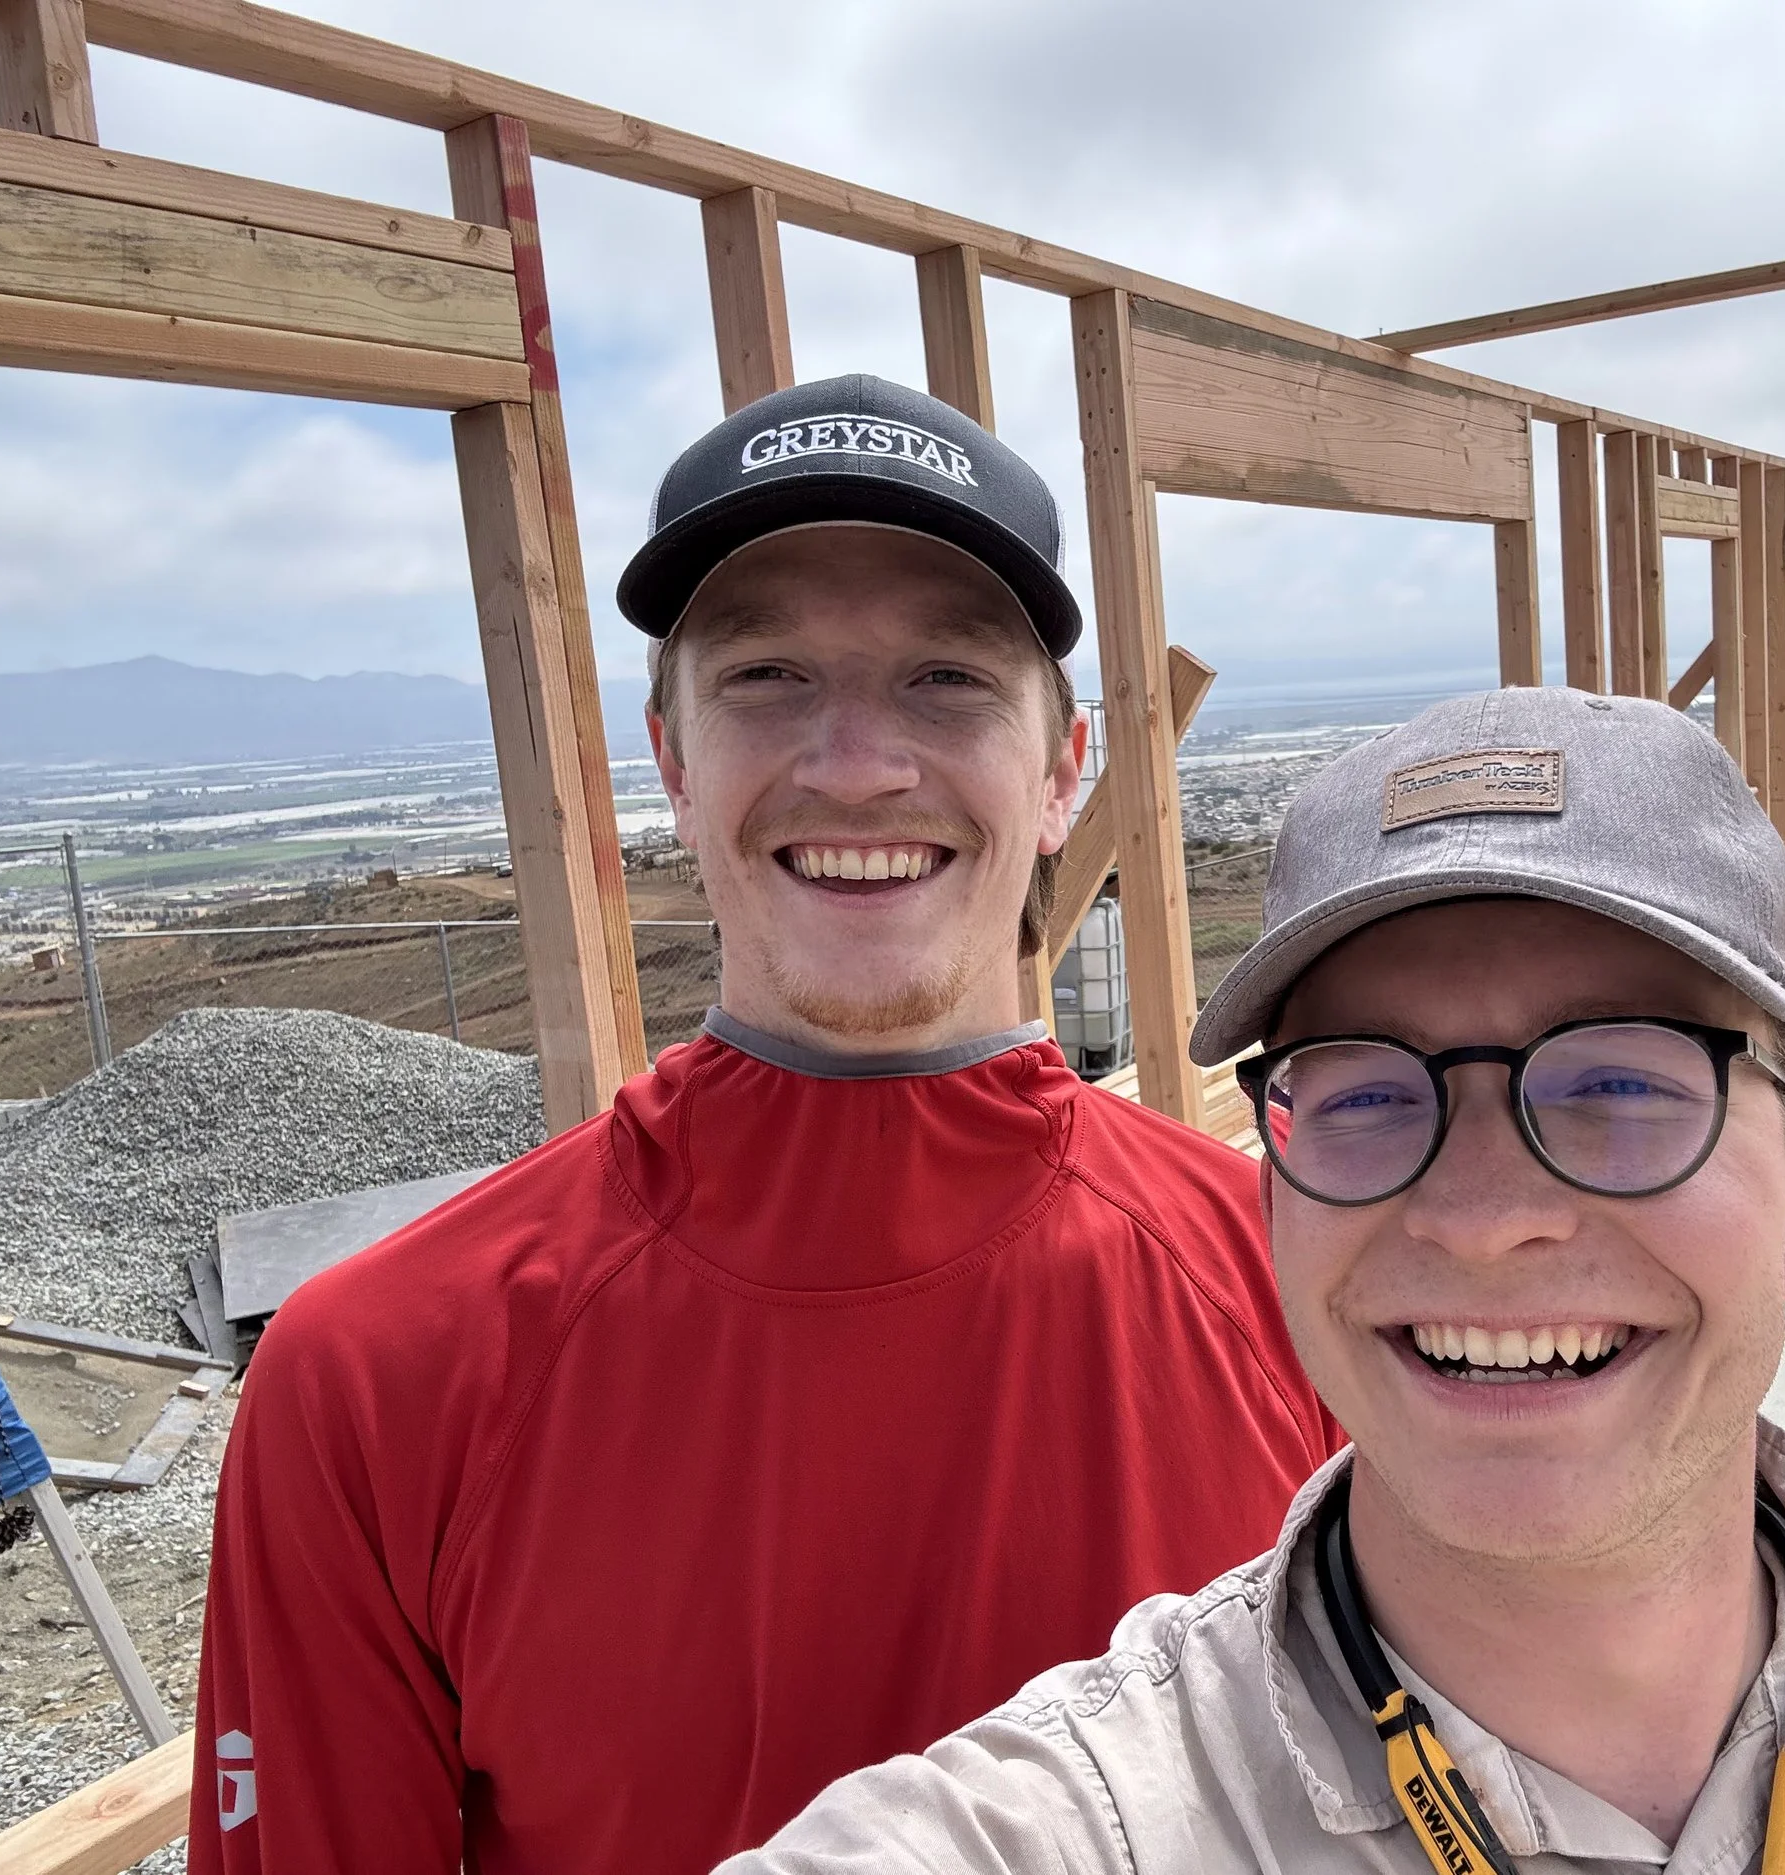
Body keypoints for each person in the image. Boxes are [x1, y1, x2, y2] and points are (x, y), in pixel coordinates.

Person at [720, 687, 1785, 1875]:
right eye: (1364, 1090)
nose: (1480, 1217)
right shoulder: (1085, 1821)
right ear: (1276, 1208)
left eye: (1620, 1083)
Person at [189, 376, 1337, 1871]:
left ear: (1064, 772)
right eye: (768, 675)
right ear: (672, 761)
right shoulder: (378, 1377)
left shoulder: (1311, 1289)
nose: (856, 763)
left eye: (948, 677)